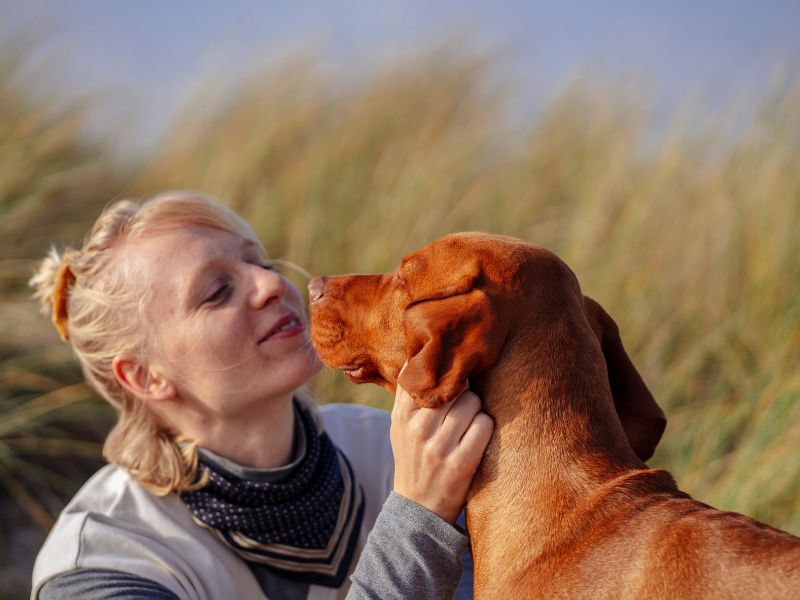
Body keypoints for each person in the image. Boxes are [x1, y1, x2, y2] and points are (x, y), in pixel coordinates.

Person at [29, 191, 494, 599]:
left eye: (259, 262)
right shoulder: (103, 561)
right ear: (146, 377)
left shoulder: (399, 450)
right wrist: (419, 518)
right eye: (216, 292)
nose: (273, 285)